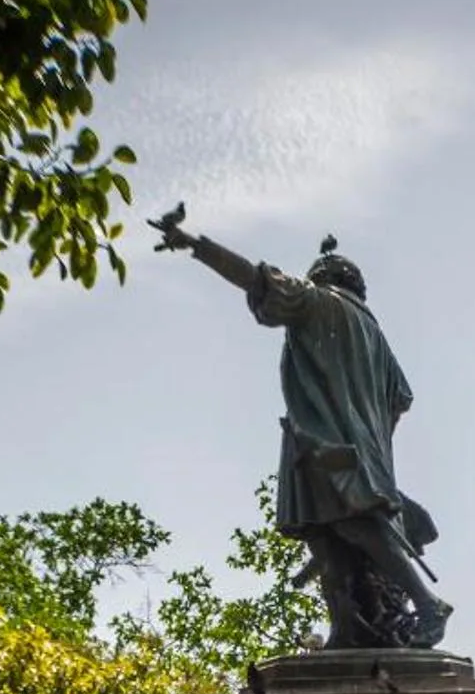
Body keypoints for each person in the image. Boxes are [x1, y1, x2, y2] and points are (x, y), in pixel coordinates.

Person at [151, 209, 450, 648]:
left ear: (325, 278)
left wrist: (198, 246)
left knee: (350, 525)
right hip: (337, 446)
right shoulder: (375, 333)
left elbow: (258, 279)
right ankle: (347, 629)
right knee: (327, 538)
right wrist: (371, 440)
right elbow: (400, 401)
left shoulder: (318, 300)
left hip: (325, 442)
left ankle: (428, 604)